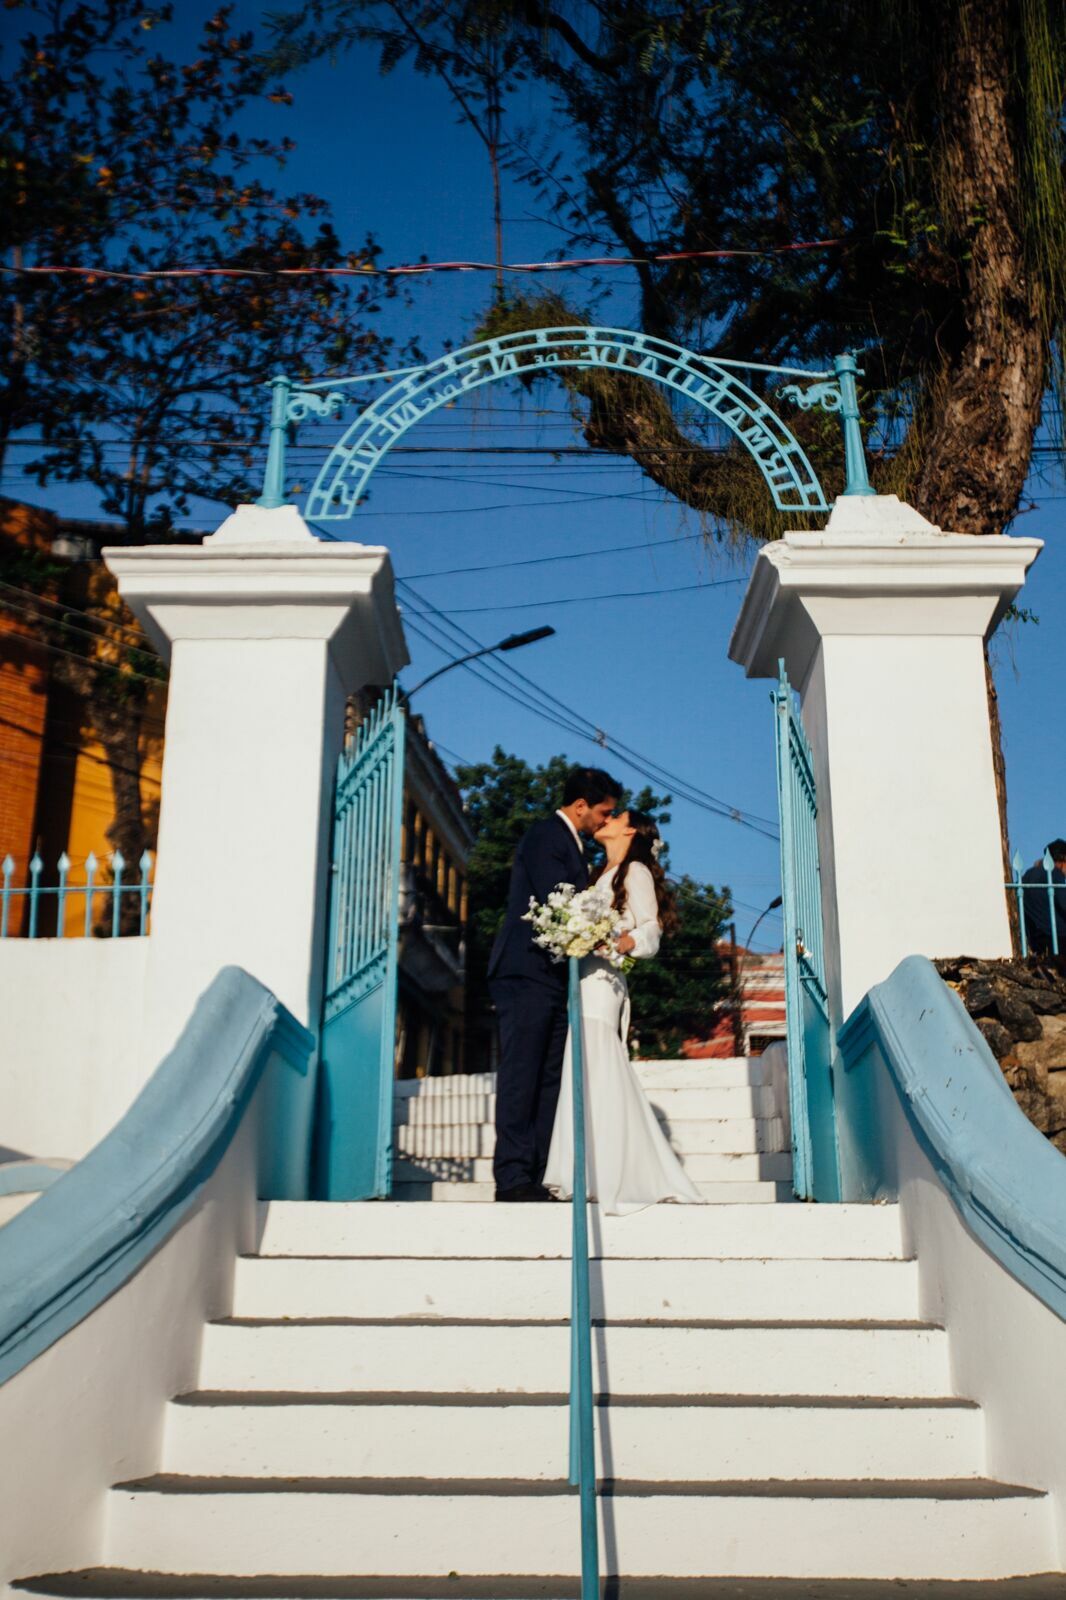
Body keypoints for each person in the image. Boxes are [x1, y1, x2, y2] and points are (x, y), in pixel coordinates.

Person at [544, 809, 703, 1215]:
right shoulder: (600, 874)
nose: (607, 818)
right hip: (581, 980)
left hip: (604, 983)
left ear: (630, 830)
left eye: (616, 816)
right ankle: (589, 1171)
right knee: (582, 1068)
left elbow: (651, 928)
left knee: (598, 1064)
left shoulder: (635, 871)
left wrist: (619, 942)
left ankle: (619, 1171)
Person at [488, 766, 623, 1202]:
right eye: (604, 812)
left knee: (549, 1077)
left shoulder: (572, 843)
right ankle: (511, 1177)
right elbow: (557, 900)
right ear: (580, 805)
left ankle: (539, 1171)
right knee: (521, 1073)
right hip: (524, 971)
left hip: (551, 977)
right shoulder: (547, 835)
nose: (605, 821)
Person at [1021, 839, 1066, 956]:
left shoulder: (1028, 874)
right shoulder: (1055, 874)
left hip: (1034, 937)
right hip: (1057, 936)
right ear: (1063, 860)